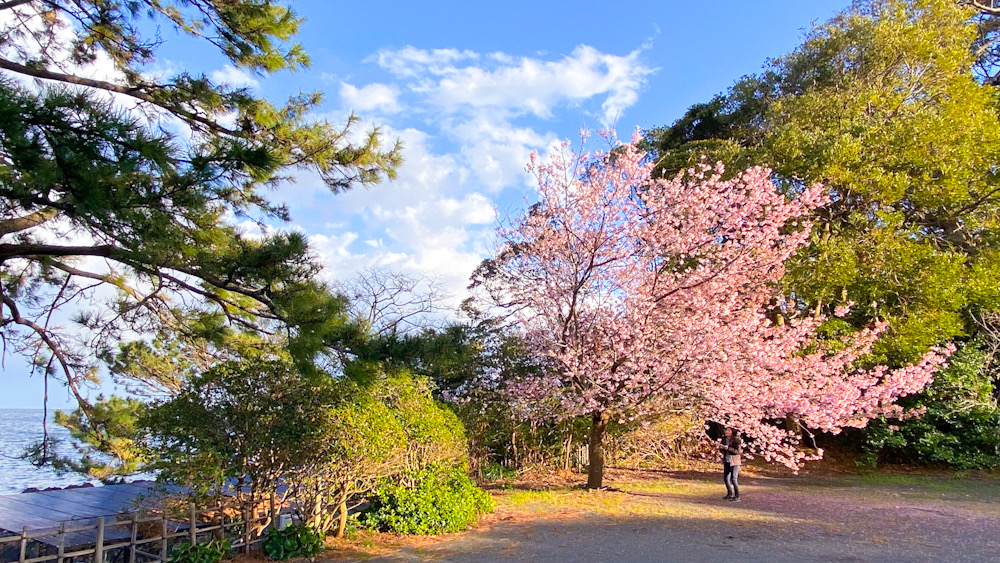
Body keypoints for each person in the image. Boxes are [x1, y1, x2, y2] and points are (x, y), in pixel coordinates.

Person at [720, 427, 742, 501]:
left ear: (732, 432)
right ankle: (729, 493)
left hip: (734, 462)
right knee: (726, 478)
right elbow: (722, 450)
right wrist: (721, 448)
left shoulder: (736, 440)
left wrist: (728, 448)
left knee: (733, 479)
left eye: (729, 430)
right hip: (727, 461)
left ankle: (737, 496)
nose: (727, 432)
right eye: (726, 430)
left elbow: (737, 451)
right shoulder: (724, 439)